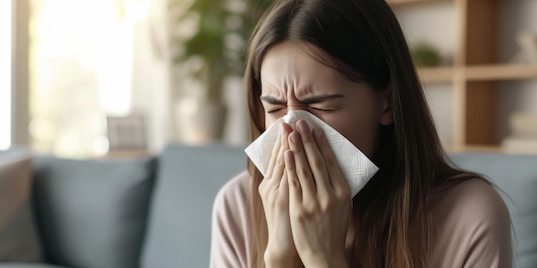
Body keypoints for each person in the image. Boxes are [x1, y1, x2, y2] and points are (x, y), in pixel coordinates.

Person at [210, 0, 513, 267]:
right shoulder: (237, 206)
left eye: (322, 106)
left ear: (387, 103)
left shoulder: (469, 215)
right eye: (274, 108)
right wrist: (278, 260)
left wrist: (324, 259)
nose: (292, 133)